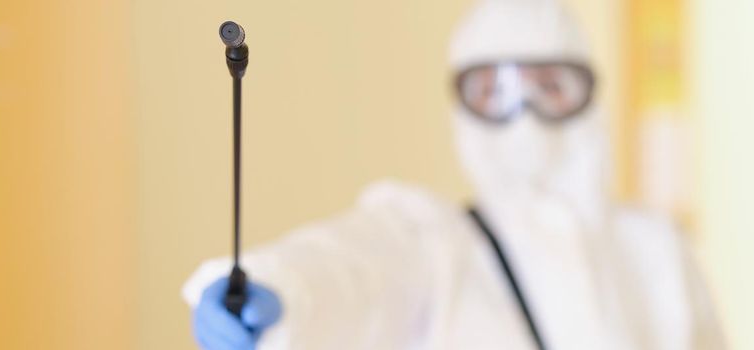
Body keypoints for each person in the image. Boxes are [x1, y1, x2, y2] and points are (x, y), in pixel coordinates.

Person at [183, 0, 724, 348]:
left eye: (550, 86)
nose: (525, 114)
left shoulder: (657, 248)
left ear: (588, 93)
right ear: (464, 104)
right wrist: (279, 288)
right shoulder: (435, 244)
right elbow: (353, 270)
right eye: (495, 92)